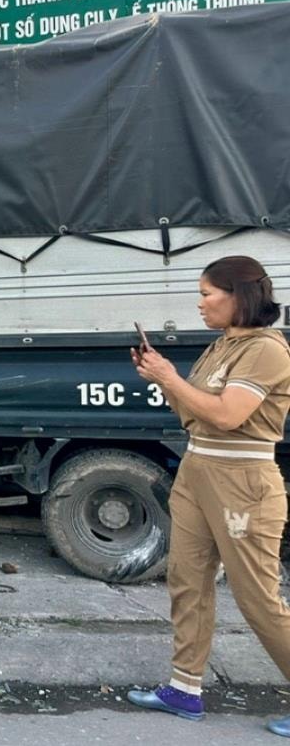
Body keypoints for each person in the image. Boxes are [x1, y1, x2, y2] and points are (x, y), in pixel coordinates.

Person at [127, 256, 290, 737]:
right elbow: (195, 416)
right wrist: (162, 379)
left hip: (243, 479)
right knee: (187, 581)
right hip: (199, 469)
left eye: (206, 293)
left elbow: (227, 416)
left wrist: (172, 378)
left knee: (256, 597)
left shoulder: (267, 350)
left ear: (238, 295)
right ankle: (184, 688)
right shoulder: (222, 347)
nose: (199, 303)